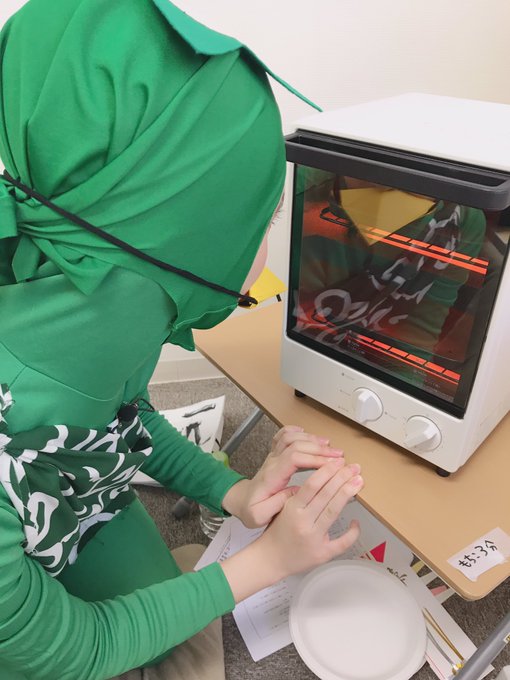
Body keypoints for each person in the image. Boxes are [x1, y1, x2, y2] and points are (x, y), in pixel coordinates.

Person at [0, 1, 363, 679]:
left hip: (73, 499)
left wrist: (233, 493)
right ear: (188, 247)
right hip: (32, 590)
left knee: (171, 625)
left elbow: (122, 415)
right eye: (263, 217)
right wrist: (267, 563)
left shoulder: (103, 300)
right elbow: (76, 648)